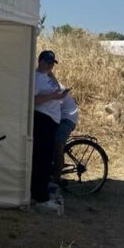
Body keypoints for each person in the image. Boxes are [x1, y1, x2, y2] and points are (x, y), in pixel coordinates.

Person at [32, 50, 65, 213]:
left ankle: (42, 193)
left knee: (47, 159)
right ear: (41, 61)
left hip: (51, 120)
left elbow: (57, 90)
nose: (51, 65)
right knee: (42, 159)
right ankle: (40, 197)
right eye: (48, 62)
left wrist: (52, 75)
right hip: (43, 120)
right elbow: (33, 100)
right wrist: (53, 97)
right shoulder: (36, 78)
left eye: (53, 63)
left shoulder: (47, 76)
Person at [51, 89, 79, 183]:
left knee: (57, 146)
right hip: (60, 116)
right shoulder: (48, 83)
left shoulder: (53, 86)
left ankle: (57, 179)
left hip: (67, 117)